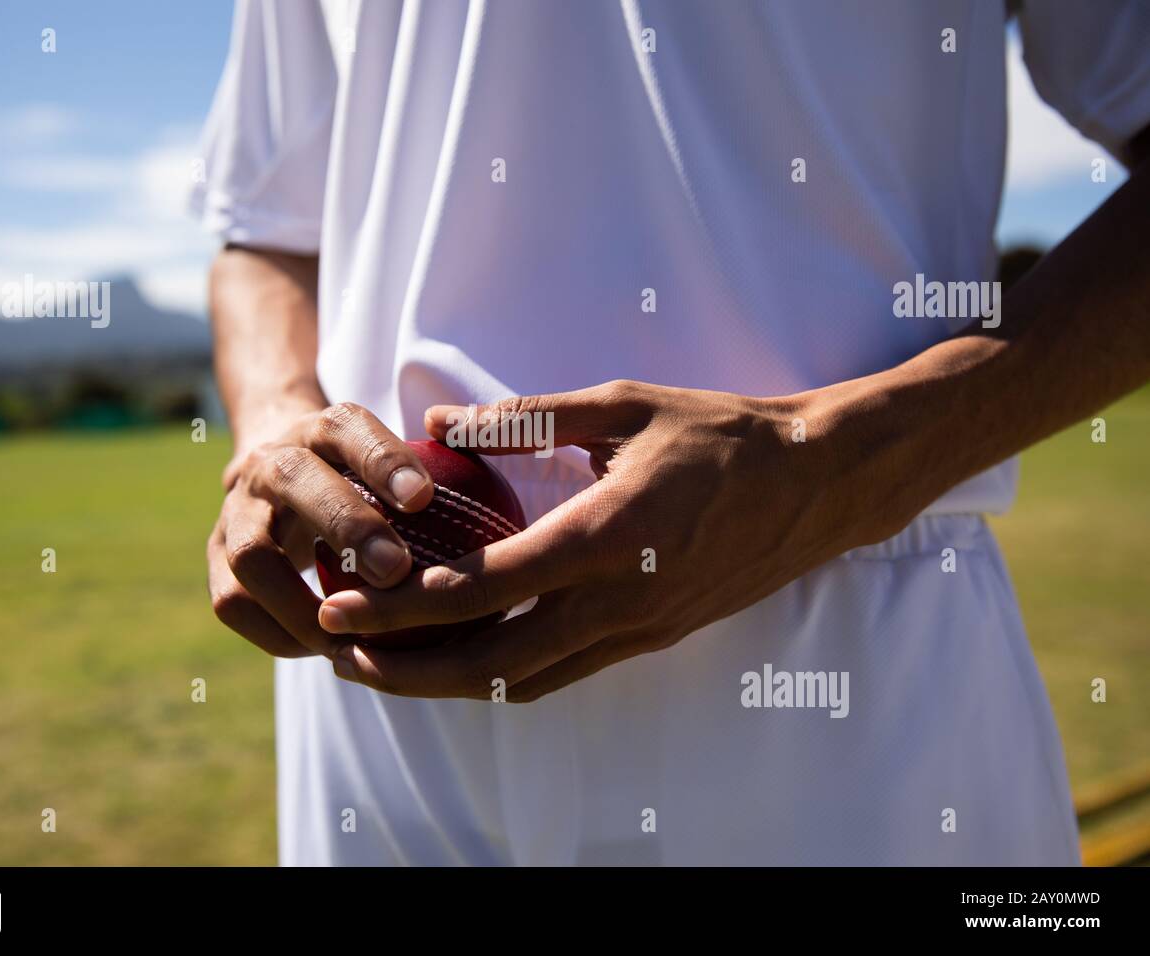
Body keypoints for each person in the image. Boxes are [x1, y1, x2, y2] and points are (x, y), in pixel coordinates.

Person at [189, 0, 1150, 865]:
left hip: (838, 657)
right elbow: (266, 224)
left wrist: (829, 465)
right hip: (373, 690)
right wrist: (272, 426)